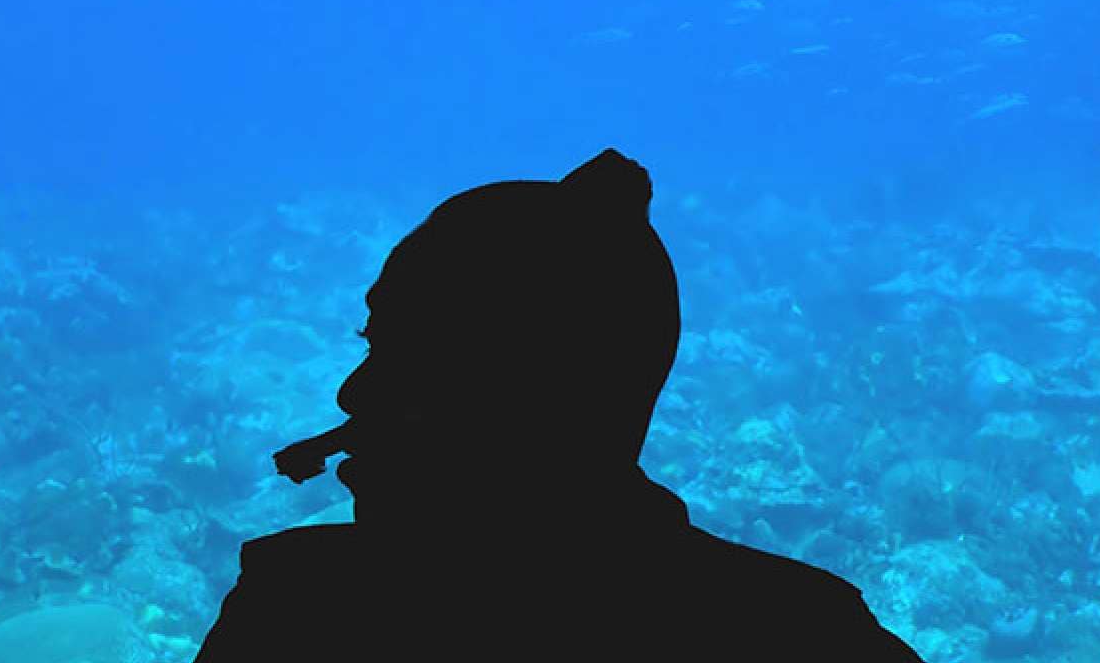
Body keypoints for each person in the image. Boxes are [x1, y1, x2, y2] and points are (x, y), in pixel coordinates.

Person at [193, 148, 923, 660]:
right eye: (370, 341)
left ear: (527, 396)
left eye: (407, 355)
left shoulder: (297, 618)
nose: (350, 393)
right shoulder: (805, 634)